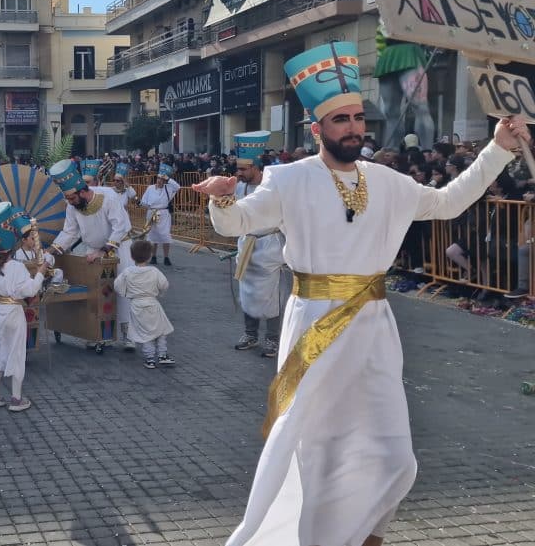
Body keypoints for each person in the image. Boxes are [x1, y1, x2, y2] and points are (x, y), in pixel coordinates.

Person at [192, 41, 531, 546]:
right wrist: (222, 201)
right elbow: (238, 223)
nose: (353, 127)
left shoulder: (388, 181)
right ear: (317, 130)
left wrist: (498, 149)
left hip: (374, 327)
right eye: (340, 120)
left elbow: (447, 202)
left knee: (393, 455)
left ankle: (364, 534)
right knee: (315, 448)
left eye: (357, 118)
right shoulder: (289, 179)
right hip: (314, 323)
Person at [47, 158, 136, 350]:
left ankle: (128, 336)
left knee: (123, 291)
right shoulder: (72, 206)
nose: (70, 203)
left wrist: (103, 251)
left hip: (119, 248)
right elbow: (70, 232)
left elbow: (120, 227)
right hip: (93, 251)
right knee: (97, 293)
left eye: (72, 198)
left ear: (82, 192)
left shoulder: (109, 197)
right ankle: (99, 334)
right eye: (68, 199)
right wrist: (51, 251)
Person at [0, 202, 48, 412]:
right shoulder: (17, 267)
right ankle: (16, 398)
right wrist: (41, 272)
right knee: (16, 353)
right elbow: (31, 290)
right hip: (13, 314)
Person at [230, 131, 286, 359]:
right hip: (247, 246)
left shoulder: (273, 188)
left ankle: (272, 339)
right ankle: (250, 334)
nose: (239, 173)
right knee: (248, 293)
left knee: (271, 296)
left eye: (243, 169)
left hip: (268, 247)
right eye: (238, 169)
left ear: (255, 167)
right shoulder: (239, 187)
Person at [113, 240, 173, 369]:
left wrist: (126, 293)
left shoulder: (128, 272)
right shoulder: (154, 271)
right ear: (150, 255)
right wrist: (159, 293)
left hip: (136, 305)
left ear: (131, 256)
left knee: (145, 333)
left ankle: (150, 358)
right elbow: (164, 284)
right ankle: (162, 355)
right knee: (161, 329)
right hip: (152, 303)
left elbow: (117, 285)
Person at [139, 163, 180, 265]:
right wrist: (142, 204)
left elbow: (178, 187)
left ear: (164, 180)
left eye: (162, 179)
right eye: (158, 178)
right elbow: (144, 201)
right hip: (152, 212)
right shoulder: (150, 188)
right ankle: (154, 256)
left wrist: (168, 179)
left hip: (163, 213)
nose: (159, 180)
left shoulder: (168, 188)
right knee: (153, 235)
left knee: (165, 234)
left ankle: (166, 257)